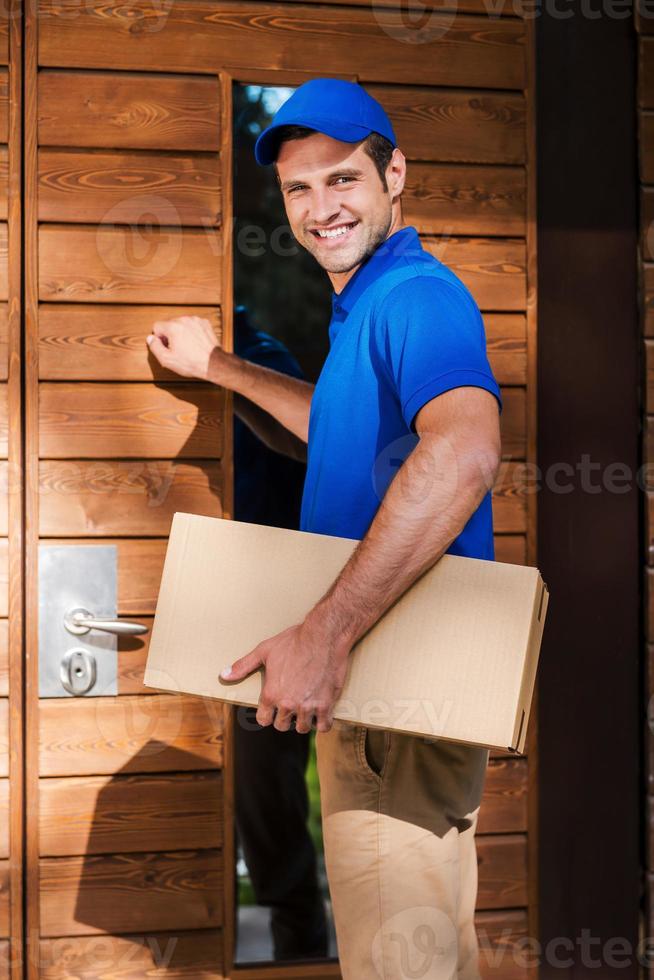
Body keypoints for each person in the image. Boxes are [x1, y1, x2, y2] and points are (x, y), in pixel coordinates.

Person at [146, 78, 502, 979]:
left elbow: (462, 455)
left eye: (342, 179)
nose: (319, 208)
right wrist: (221, 366)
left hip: (393, 692)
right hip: (412, 703)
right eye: (298, 190)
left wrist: (326, 634)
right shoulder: (367, 307)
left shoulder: (417, 295)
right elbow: (339, 426)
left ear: (395, 177)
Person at [230, 305, 328, 961]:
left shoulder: (259, 355)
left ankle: (300, 951)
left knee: (268, 799)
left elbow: (315, 454)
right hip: (191, 602)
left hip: (267, 614)